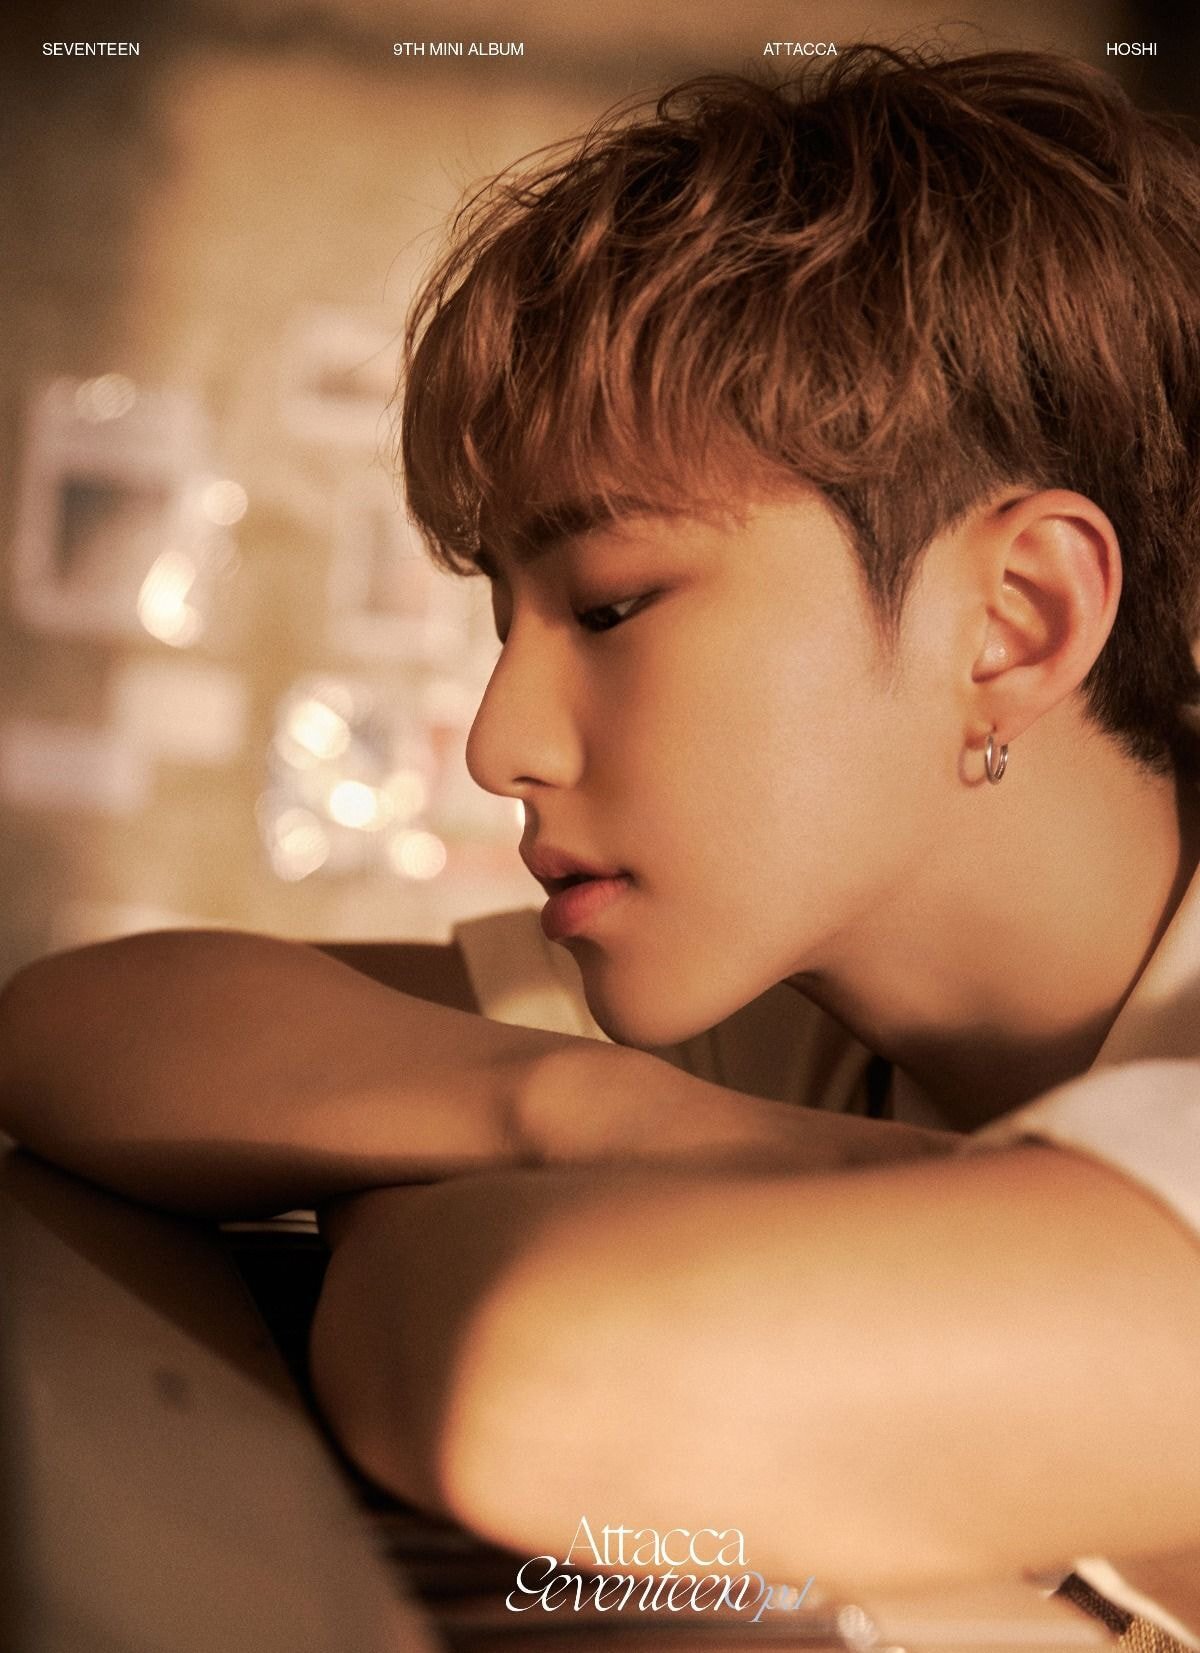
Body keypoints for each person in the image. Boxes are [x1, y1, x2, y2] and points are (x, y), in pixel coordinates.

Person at [2, 42, 1200, 1646]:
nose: (500, 742)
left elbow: (532, 1380)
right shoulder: (780, 1017)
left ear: (1017, 617)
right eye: (509, 620)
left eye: (615, 606)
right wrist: (590, 1112)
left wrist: (418, 1193)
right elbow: (84, 1028)